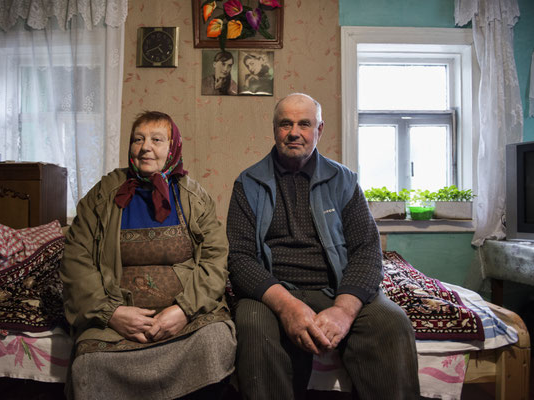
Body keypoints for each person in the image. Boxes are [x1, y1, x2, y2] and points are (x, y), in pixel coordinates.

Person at [226, 93, 420, 399]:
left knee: (391, 323)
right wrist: (287, 307)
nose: (294, 132)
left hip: (337, 287)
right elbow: (240, 259)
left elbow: (367, 250)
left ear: (319, 130)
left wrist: (343, 310)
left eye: (304, 123)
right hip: (273, 292)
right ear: (274, 129)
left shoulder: (344, 181)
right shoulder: (247, 183)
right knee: (251, 324)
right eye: (285, 124)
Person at [61, 111, 236, 400]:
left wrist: (184, 310)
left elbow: (215, 260)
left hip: (185, 319)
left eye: (157, 139)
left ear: (173, 147)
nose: (145, 147)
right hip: (117, 323)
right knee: (91, 363)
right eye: (138, 139)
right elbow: (76, 260)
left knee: (214, 342)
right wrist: (112, 314)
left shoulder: (193, 197)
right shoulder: (103, 195)